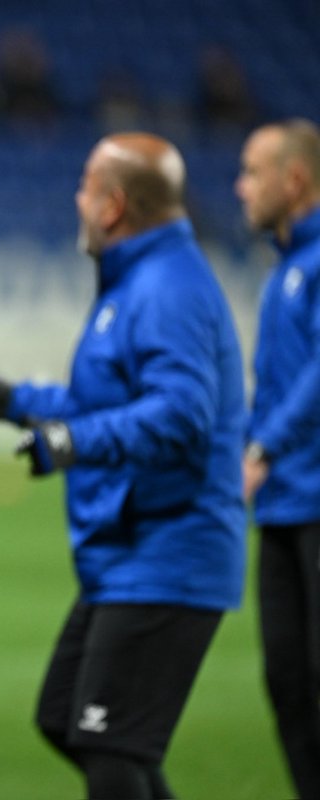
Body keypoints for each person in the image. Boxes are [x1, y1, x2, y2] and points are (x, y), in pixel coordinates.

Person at [0, 132, 246, 799]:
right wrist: (18, 403)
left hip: (169, 550)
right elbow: (107, 400)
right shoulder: (141, 283)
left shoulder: (167, 290)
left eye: (87, 185)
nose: (76, 198)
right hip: (133, 553)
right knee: (68, 719)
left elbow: (182, 415)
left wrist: (68, 443)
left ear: (114, 206)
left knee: (110, 742)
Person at [235, 118, 320, 800]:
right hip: (285, 504)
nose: (241, 186)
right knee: (290, 686)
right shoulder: (286, 267)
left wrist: (263, 446)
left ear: (294, 180)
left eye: (253, 172)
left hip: (313, 498)